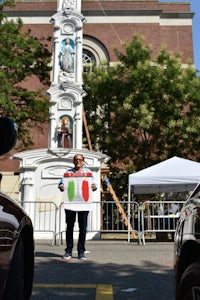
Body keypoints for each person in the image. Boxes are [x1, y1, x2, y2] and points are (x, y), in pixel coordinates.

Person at [58, 154, 97, 260]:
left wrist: (94, 186)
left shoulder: (88, 173)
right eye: (76, 159)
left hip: (84, 204)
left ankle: (81, 251)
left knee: (83, 229)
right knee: (69, 227)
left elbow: (94, 185)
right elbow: (61, 184)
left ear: (83, 161)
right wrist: (62, 186)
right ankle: (68, 251)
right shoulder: (68, 173)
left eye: (80, 159)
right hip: (71, 203)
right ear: (73, 161)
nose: (78, 161)